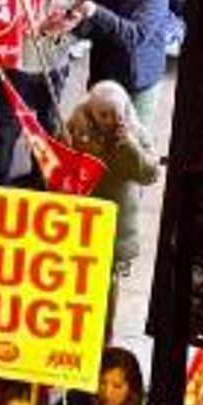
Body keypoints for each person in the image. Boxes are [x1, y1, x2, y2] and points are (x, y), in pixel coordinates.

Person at [0, 0, 85, 184]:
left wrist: (73, 25)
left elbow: (79, 31)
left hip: (54, 68)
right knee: (7, 130)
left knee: (46, 127)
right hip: (19, 68)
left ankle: (39, 180)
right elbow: (0, 30)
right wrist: (41, 27)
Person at [66, 81, 158, 278]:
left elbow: (150, 174)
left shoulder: (137, 133)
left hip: (119, 227)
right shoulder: (74, 131)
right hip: (84, 222)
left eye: (118, 113)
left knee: (109, 285)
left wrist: (130, 146)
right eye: (104, 115)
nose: (113, 120)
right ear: (91, 112)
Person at [69, 0, 171, 126]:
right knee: (96, 139)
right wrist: (75, 24)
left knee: (133, 144)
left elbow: (135, 36)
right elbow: (94, 31)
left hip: (137, 87)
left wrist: (96, 12)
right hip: (103, 79)